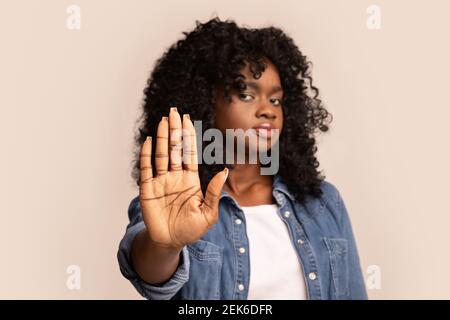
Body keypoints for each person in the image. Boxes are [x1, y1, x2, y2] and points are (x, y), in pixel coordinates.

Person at [117, 17, 368, 300]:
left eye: (275, 100)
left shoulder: (322, 201)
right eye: (247, 94)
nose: (268, 111)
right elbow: (150, 273)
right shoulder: (175, 201)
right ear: (203, 100)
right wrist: (165, 246)